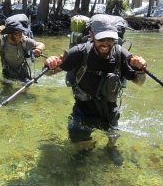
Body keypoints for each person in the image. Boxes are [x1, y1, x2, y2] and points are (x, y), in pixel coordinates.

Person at [44, 14, 147, 165]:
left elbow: (139, 82)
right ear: (91, 35)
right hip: (82, 113)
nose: (106, 43)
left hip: (109, 113)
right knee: (82, 155)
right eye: (101, 39)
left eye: (111, 39)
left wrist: (141, 69)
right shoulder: (78, 52)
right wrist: (49, 63)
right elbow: (49, 72)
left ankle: (111, 149)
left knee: (112, 145)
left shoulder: (121, 54)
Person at [0, 18, 45, 83]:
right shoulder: (2, 41)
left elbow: (41, 44)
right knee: (5, 91)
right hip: (7, 71)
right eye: (17, 34)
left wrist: (38, 49)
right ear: (10, 35)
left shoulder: (25, 41)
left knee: (26, 90)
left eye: (22, 33)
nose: (21, 36)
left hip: (23, 72)